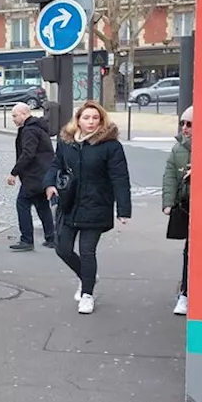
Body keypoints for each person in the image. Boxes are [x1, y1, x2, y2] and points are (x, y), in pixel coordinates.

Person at [44, 100, 132, 315]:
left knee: (87, 251)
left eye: (95, 118)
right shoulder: (66, 142)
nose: (91, 122)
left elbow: (120, 178)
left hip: (96, 204)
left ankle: (87, 294)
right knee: (62, 248)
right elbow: (57, 164)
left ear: (101, 120)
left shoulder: (110, 146)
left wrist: (123, 209)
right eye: (86, 118)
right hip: (69, 202)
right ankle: (87, 275)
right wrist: (49, 183)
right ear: (78, 120)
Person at [6, 102, 56, 251]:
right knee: (42, 205)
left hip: (34, 175)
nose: (13, 119)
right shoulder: (37, 128)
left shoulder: (29, 130)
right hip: (42, 173)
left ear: (23, 114)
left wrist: (14, 172)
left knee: (22, 203)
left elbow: (28, 153)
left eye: (15, 116)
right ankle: (51, 237)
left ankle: (27, 240)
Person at [163, 105, 193, 316]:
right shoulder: (178, 148)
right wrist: (168, 202)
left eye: (189, 124)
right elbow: (170, 176)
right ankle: (185, 293)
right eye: (182, 123)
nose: (184, 128)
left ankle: (189, 292)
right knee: (189, 250)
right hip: (186, 205)